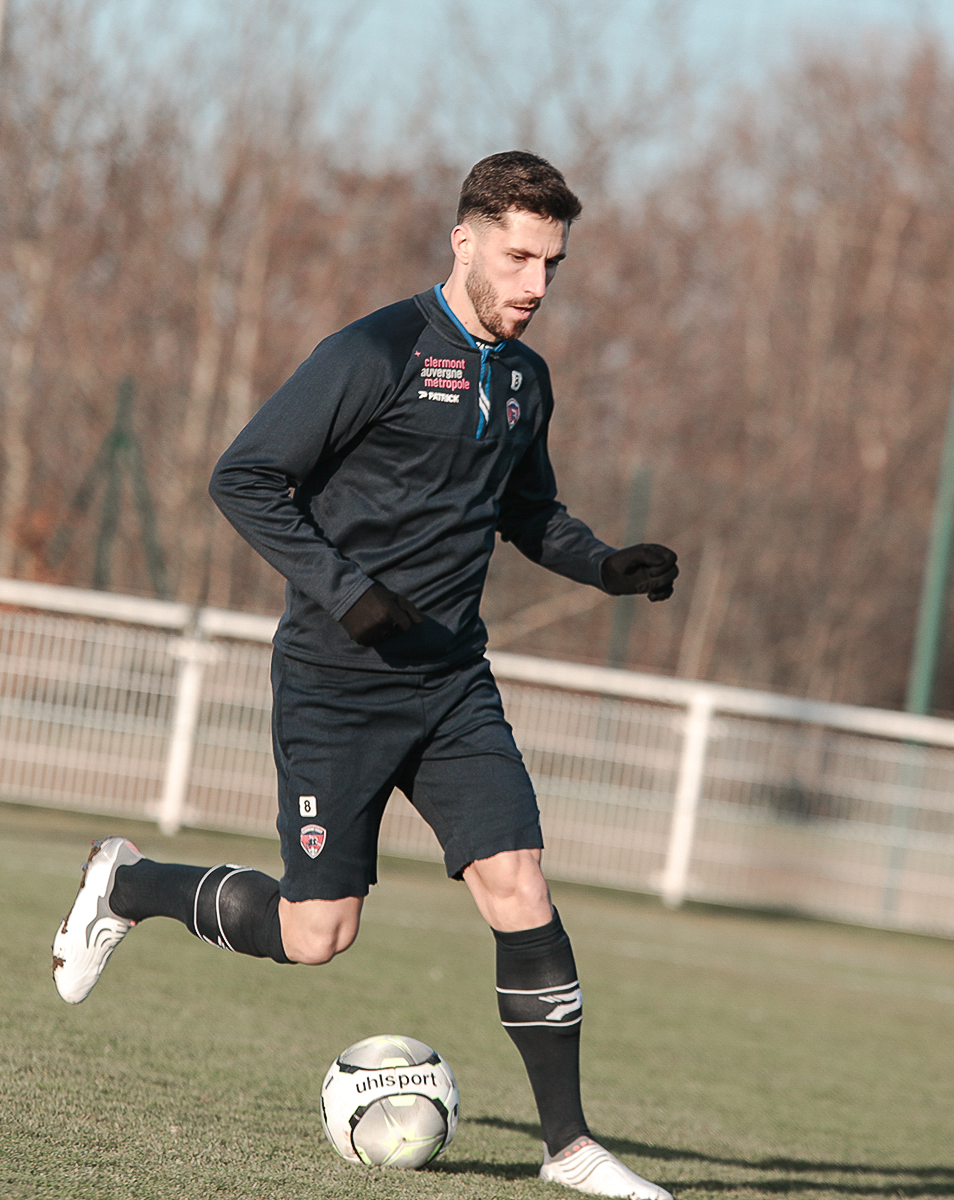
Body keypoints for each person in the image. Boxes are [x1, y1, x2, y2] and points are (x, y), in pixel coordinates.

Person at [52, 151, 679, 1200]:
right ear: (464, 239)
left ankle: (568, 1145)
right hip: (335, 686)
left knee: (519, 886)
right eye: (518, 256)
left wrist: (602, 564)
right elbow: (243, 477)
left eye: (552, 265)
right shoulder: (376, 351)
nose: (533, 283)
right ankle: (126, 883)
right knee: (315, 937)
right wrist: (344, 589)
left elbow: (526, 514)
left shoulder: (524, 380)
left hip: (450, 688)